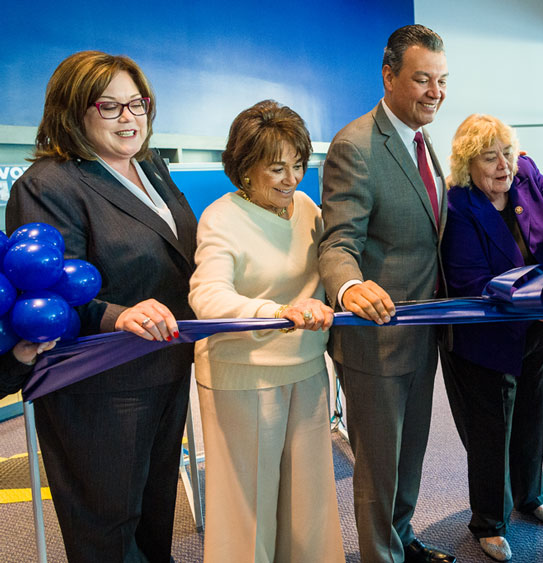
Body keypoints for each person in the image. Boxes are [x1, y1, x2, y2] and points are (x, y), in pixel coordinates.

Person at [5, 51, 198, 562]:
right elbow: (49, 291)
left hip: (165, 363)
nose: (129, 117)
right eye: (109, 106)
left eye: (137, 103)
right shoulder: (47, 184)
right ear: (73, 111)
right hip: (100, 381)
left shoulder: (150, 166)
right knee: (107, 524)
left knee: (156, 509)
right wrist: (117, 315)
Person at [318, 24, 455, 563]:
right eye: (422, 80)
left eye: (442, 80)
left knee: (409, 454)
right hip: (376, 341)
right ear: (389, 75)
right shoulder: (355, 145)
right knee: (378, 466)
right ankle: (381, 555)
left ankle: (403, 539)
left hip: (423, 332)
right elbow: (338, 241)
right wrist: (349, 286)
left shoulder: (421, 140)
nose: (435, 92)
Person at [188, 100, 344, 563]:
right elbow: (207, 297)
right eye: (277, 168)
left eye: (298, 165)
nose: (291, 179)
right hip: (244, 374)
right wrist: (277, 311)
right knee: (248, 509)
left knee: (308, 501)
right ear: (245, 169)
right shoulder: (221, 217)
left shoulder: (307, 208)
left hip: (306, 366)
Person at [439, 114, 543, 562]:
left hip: (534, 330)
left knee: (531, 416)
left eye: (506, 153)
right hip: (485, 338)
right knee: (491, 432)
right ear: (467, 164)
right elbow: (474, 283)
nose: (504, 165)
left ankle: (529, 496)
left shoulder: (525, 170)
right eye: (490, 157)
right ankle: (489, 522)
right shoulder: (458, 205)